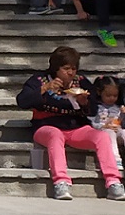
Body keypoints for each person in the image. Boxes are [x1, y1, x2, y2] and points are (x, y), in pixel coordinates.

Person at [15, 45, 124, 201]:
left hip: (75, 128)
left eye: (73, 69)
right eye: (66, 68)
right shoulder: (39, 80)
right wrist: (44, 89)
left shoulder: (81, 82)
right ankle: (61, 182)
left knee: (102, 137)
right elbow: (22, 101)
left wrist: (85, 102)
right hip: (45, 126)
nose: (71, 72)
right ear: (56, 68)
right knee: (55, 135)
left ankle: (113, 182)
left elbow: (94, 111)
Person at [91, 75, 125, 166]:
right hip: (103, 131)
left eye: (115, 96)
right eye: (108, 95)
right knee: (109, 132)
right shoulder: (96, 108)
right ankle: (115, 159)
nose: (112, 98)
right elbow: (91, 122)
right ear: (99, 92)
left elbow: (120, 120)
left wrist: (123, 114)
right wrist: (102, 126)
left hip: (117, 130)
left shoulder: (117, 108)